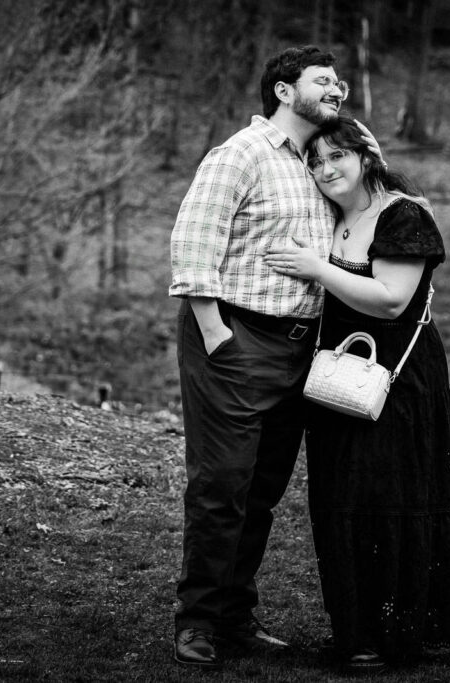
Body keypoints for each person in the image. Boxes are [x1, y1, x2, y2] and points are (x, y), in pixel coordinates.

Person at [168, 45, 378, 670]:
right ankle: (197, 620)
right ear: (285, 91)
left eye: (340, 82)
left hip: (298, 348)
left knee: (261, 490)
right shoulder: (242, 153)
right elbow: (195, 237)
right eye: (324, 81)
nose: (337, 89)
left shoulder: (320, 161)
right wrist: (215, 333)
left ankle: (235, 616)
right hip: (235, 336)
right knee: (222, 485)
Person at [263, 117, 450, 670]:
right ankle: (354, 631)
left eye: (337, 157)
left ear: (366, 156)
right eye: (316, 161)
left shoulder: (403, 214)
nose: (326, 169)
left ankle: (396, 636)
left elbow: (391, 300)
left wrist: (317, 267)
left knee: (391, 499)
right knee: (342, 500)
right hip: (336, 375)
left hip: (398, 384)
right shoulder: (333, 215)